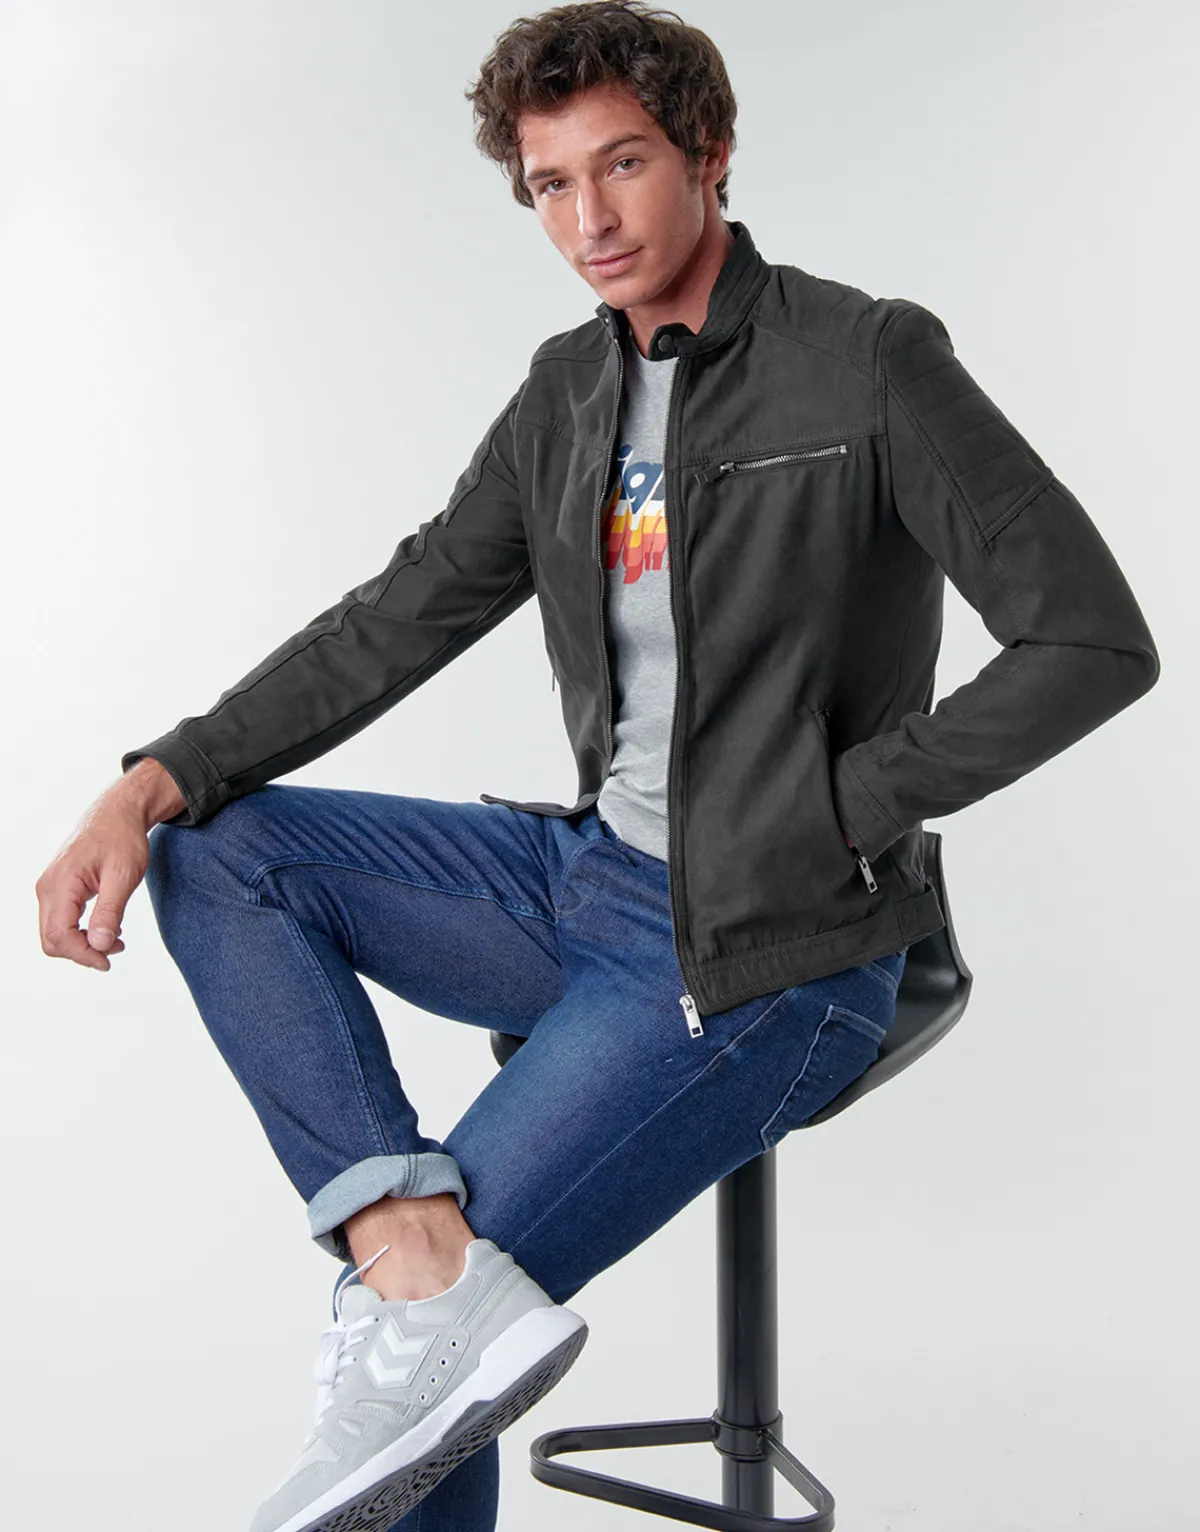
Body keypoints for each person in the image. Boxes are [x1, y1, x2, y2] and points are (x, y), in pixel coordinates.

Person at [35, 4, 1160, 1531]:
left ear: (709, 151)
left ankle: (431, 1297)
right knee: (224, 853)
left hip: (774, 942)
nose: (590, 220)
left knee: (428, 1365)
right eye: (552, 184)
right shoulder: (570, 392)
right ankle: (413, 1256)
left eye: (622, 164)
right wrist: (149, 780)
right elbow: (401, 613)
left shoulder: (865, 360)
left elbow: (1089, 641)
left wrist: (833, 811)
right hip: (589, 880)